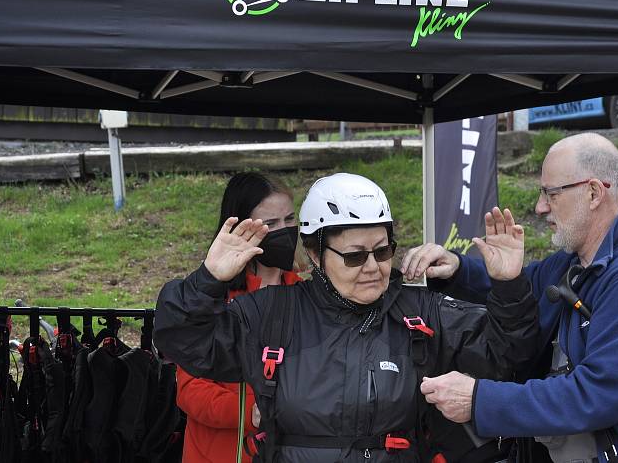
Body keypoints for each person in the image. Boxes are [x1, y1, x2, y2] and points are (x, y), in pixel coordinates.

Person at [154, 172, 539, 463]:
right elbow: (182, 340)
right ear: (316, 256)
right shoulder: (273, 312)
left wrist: (508, 285)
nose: (373, 267)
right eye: (355, 255)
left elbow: (507, 355)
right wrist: (207, 281)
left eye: (384, 252)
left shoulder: (420, 311)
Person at [403, 133, 618, 463]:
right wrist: (459, 269)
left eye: (551, 193)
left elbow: (601, 395)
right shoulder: (571, 265)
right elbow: (522, 297)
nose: (540, 206)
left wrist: (479, 400)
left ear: (593, 193)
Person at [175, 172, 304, 463]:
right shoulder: (208, 297)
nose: (284, 231)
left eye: (290, 219)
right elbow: (188, 390)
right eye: (270, 224)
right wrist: (249, 412)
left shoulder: (305, 292)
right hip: (216, 453)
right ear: (239, 228)